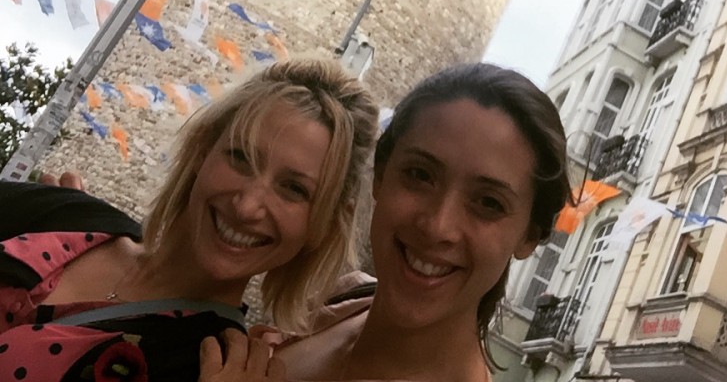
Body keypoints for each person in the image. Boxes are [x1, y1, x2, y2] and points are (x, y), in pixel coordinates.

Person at [0, 56, 379, 382]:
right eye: (240, 157)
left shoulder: (207, 366)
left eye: (294, 189)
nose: (247, 207)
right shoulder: (70, 216)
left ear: (323, 225)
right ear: (203, 149)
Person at [202, 62, 572, 382]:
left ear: (531, 234)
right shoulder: (344, 300)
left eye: (488, 203)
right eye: (420, 175)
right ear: (380, 174)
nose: (438, 226)